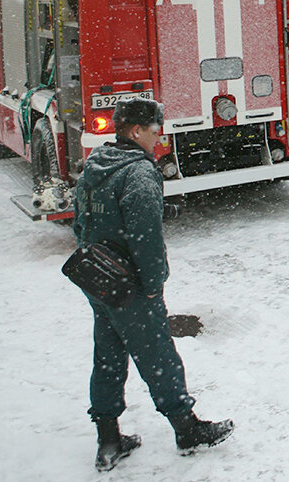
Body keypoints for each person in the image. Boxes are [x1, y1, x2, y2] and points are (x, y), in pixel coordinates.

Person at [73, 98, 232, 471]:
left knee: (108, 357)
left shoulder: (97, 163)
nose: (159, 140)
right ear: (136, 131)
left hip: (98, 279)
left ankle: (108, 439)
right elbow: (144, 238)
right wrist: (152, 284)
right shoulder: (141, 173)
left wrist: (161, 209)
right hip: (131, 286)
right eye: (155, 132)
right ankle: (186, 428)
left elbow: (85, 219)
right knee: (158, 356)